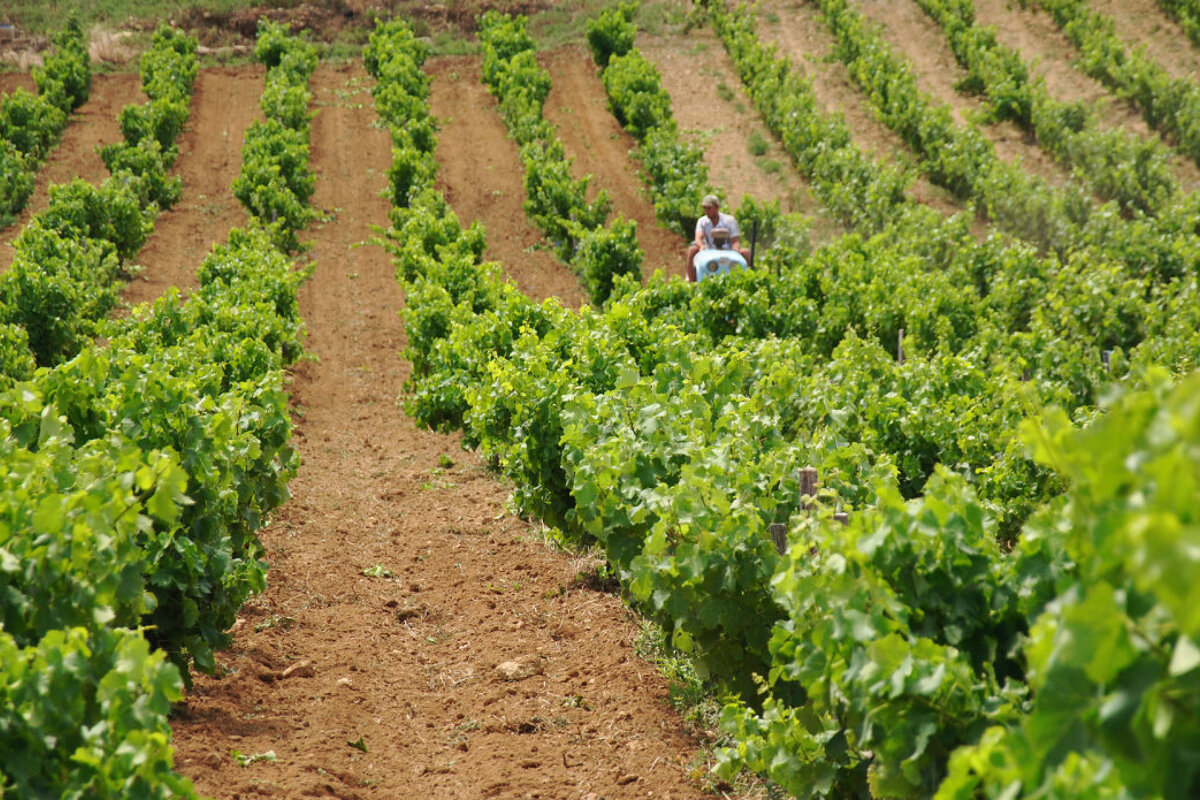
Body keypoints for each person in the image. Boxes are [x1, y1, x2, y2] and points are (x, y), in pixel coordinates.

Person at [686, 195, 752, 282]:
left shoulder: (729, 220)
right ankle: (692, 281)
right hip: (709, 251)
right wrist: (702, 246)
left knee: (746, 253)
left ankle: (750, 279)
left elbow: (735, 240)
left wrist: (735, 249)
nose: (706, 211)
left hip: (728, 252)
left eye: (709, 208)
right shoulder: (702, 221)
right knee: (692, 249)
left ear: (717, 207)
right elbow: (698, 238)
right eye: (705, 208)